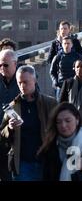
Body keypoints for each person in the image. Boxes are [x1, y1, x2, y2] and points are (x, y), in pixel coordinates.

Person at [0, 65, 57, 180]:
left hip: (45, 162)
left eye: (26, 82)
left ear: (35, 80)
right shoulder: (12, 107)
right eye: (19, 83)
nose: (22, 86)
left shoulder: (49, 103)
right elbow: (1, 136)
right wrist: (9, 128)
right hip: (22, 165)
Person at [0, 49, 20, 181]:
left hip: (16, 135)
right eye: (0, 65)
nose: (2, 68)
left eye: (5, 65)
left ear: (15, 64)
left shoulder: (23, 79)